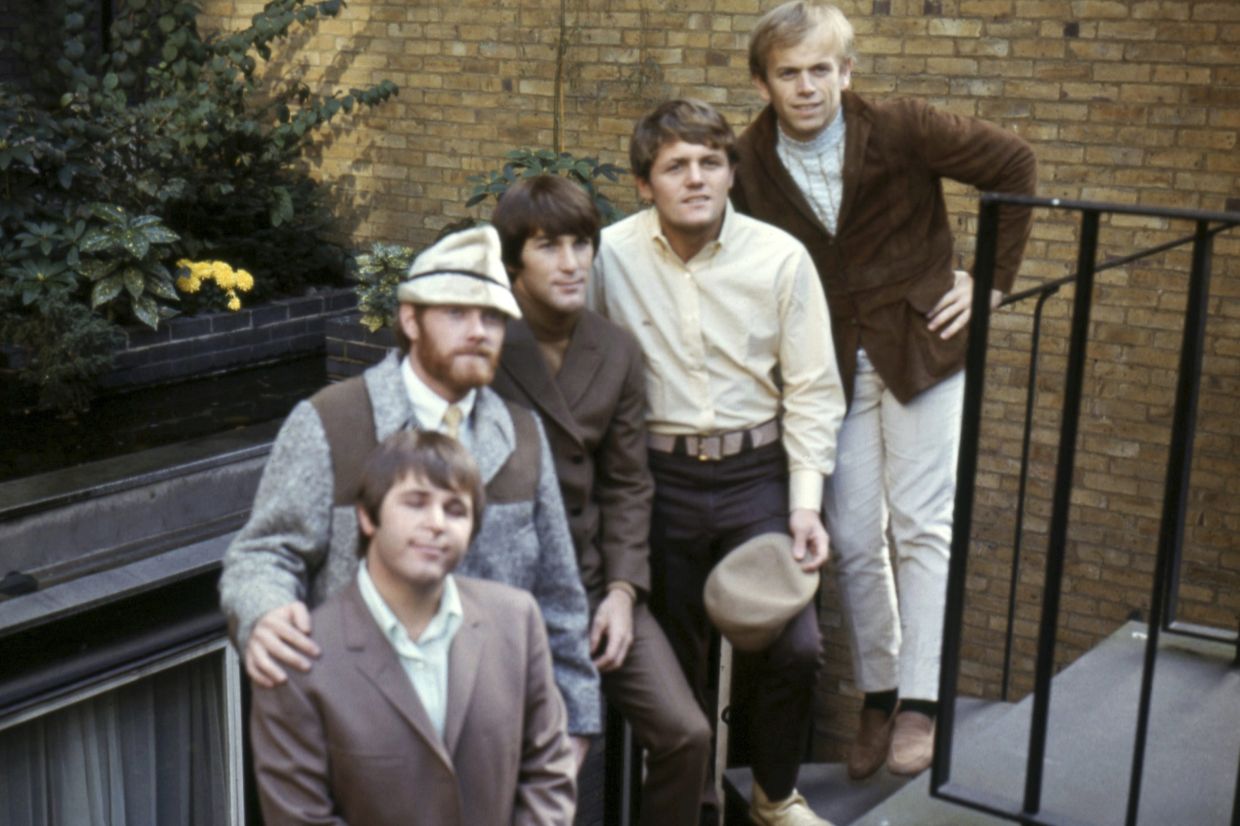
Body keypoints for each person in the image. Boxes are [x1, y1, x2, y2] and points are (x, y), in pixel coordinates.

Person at [731, 1, 1037, 778]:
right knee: (854, 534)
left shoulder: (902, 127)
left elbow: (1013, 163)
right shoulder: (746, 161)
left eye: (821, 69)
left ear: (846, 71)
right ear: (764, 83)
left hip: (921, 347)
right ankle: (881, 690)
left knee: (923, 524)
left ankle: (923, 703)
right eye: (789, 73)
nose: (807, 87)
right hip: (826, 365)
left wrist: (991, 282)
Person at [219, 225, 601, 763]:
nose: (479, 331)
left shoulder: (522, 435)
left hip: (496, 748)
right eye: (457, 312)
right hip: (363, 744)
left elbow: (559, 594)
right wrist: (266, 612)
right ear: (410, 319)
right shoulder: (332, 421)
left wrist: (576, 723)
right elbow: (263, 552)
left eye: (493, 317)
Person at [593, 98, 847, 826]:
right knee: (677, 668)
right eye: (676, 166)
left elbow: (813, 389)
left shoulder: (780, 258)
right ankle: (695, 808)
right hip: (657, 480)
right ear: (644, 183)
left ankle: (774, 796)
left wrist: (805, 503)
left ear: (732, 173)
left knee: (795, 646)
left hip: (756, 477)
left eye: (711, 162)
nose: (696, 178)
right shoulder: (609, 257)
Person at [489, 175, 712, 826]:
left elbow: (627, 482)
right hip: (503, 595)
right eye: (548, 246)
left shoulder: (614, 349)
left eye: (581, 244)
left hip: (592, 585)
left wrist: (621, 591)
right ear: (513, 263)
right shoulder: (482, 340)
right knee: (518, 764)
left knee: (686, 733)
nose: (571, 263)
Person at [250, 430, 577, 825]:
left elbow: (548, 770)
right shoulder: (299, 656)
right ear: (367, 516)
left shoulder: (516, 621)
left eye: (455, 510)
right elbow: (299, 817)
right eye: (416, 503)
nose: (436, 523)